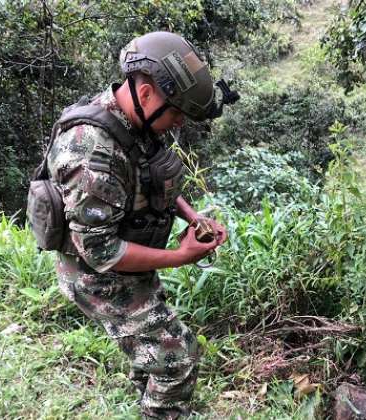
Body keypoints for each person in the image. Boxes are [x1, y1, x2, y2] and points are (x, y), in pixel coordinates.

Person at [43, 31, 234, 419]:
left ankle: (150, 395)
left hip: (127, 258)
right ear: (146, 93)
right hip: (96, 275)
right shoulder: (92, 152)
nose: (178, 121)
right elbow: (100, 252)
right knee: (177, 356)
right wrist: (180, 256)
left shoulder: (131, 121)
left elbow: (146, 176)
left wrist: (192, 216)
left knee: (153, 346)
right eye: (176, 111)